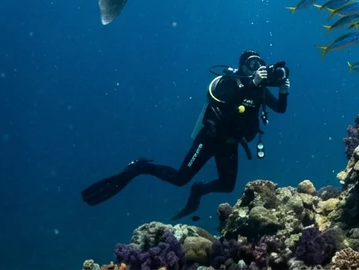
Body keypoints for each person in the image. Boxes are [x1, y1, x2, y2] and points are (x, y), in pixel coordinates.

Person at [80, 50, 290, 219]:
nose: (257, 67)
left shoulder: (260, 91)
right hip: (209, 139)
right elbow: (221, 95)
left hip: (230, 144)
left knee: (227, 186)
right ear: (242, 66)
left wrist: (283, 92)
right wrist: (250, 81)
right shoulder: (229, 81)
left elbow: (280, 108)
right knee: (180, 178)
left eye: (260, 63)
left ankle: (198, 191)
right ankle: (141, 167)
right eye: (252, 64)